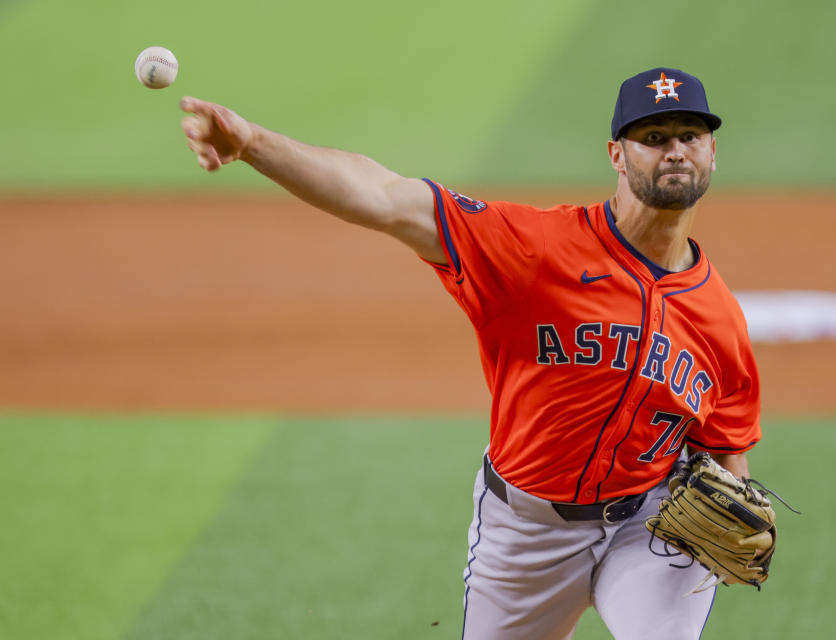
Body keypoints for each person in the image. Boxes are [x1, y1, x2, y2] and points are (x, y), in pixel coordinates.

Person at [181, 67, 762, 639]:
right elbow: (385, 199)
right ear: (617, 154)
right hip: (526, 531)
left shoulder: (721, 319)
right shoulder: (535, 249)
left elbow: (726, 449)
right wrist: (254, 144)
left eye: (690, 135)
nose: (675, 151)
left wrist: (739, 505)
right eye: (654, 138)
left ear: (713, 153)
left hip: (649, 526)